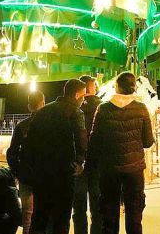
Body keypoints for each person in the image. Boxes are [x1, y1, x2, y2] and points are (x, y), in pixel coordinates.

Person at [87, 73, 154, 234]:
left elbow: (94, 142)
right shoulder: (142, 108)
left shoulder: (103, 109)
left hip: (109, 171)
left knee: (109, 216)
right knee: (134, 215)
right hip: (135, 170)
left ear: (117, 87)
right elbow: (148, 141)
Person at [20, 79, 88, 234]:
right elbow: (81, 139)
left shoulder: (43, 112)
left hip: (41, 174)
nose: (83, 100)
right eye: (83, 96)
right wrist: (80, 161)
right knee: (61, 218)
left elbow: (29, 142)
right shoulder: (75, 113)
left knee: (39, 216)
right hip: (65, 173)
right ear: (77, 95)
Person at [7, 91, 45, 234]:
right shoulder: (52, 126)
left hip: (26, 176)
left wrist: (17, 171)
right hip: (45, 177)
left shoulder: (22, 126)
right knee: (43, 213)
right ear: (43, 103)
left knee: (27, 214)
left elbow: (12, 153)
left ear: (29, 106)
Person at [73, 75, 102, 234]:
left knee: (78, 208)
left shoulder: (74, 109)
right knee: (97, 207)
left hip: (78, 163)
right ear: (91, 88)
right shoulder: (102, 107)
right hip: (97, 163)